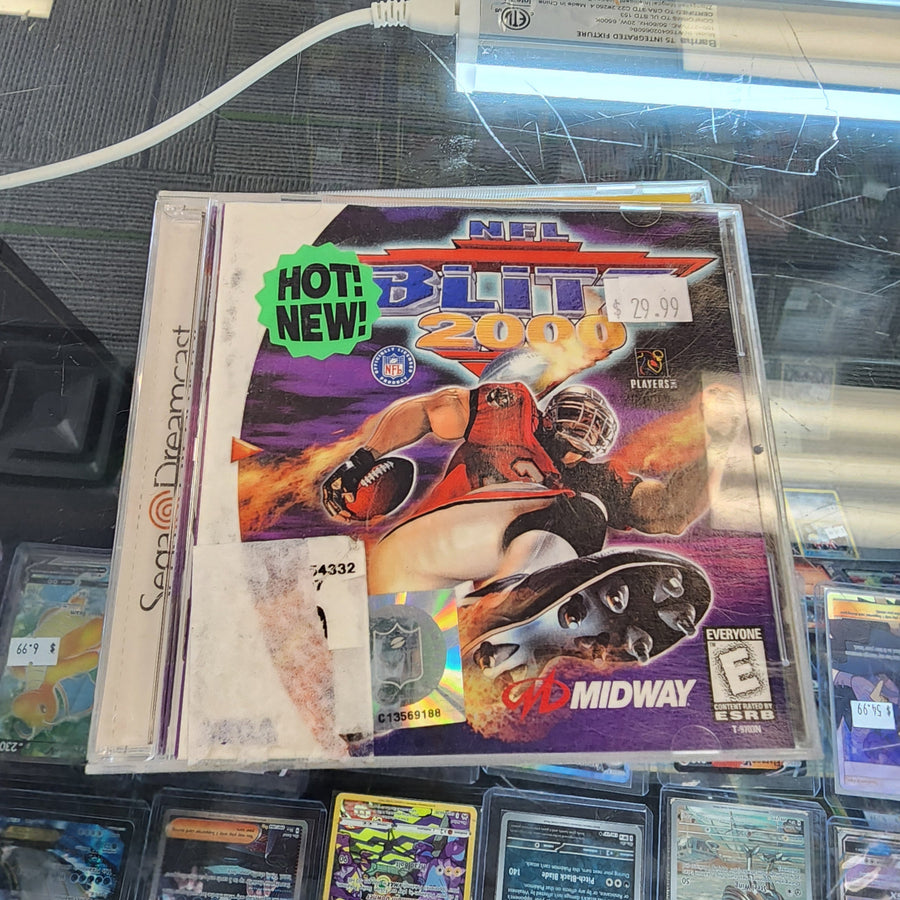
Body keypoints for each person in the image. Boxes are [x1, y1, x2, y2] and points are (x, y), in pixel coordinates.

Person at [323, 379, 733, 594]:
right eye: (577, 413)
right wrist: (364, 458)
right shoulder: (512, 411)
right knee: (582, 513)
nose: (584, 424)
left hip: (456, 582)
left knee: (426, 697)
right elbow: (433, 410)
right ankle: (514, 597)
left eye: (594, 422)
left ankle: (501, 609)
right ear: (551, 412)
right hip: (426, 545)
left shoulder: (597, 479)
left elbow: (668, 512)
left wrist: (717, 444)